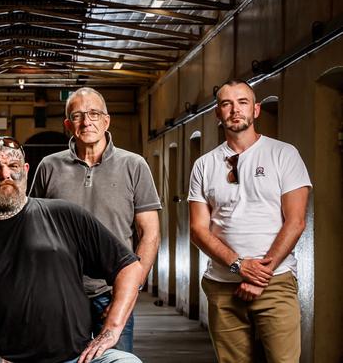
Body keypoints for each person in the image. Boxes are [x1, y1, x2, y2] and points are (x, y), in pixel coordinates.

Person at [0, 137, 144, 363]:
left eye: (13, 166)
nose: (5, 175)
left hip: (73, 358)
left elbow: (129, 266)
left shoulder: (66, 215)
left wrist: (111, 331)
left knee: (126, 361)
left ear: (26, 170)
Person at [188, 79, 311, 362]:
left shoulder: (283, 154)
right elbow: (198, 229)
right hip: (222, 285)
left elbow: (295, 221)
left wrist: (259, 275)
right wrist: (238, 265)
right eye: (226, 104)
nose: (235, 110)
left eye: (242, 102)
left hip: (275, 283)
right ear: (217, 114)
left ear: (255, 110)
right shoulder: (204, 165)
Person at [30, 87, 161, 352]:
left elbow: (150, 234)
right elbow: (32, 230)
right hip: (60, 294)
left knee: (115, 359)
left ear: (106, 120)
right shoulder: (48, 166)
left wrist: (129, 290)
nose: (86, 121)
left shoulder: (134, 165)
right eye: (77, 116)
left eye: (93, 113)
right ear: (68, 125)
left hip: (112, 292)